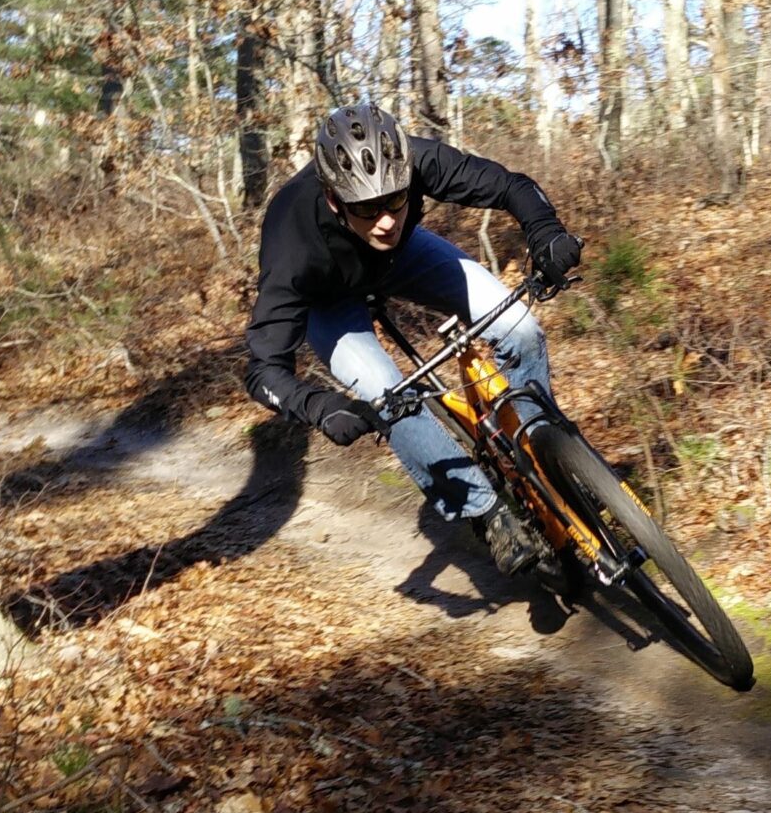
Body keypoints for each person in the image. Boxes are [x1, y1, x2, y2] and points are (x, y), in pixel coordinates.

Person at [243, 99, 584, 573]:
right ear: (334, 200)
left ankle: (546, 452)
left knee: (520, 329)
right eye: (366, 208)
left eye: (395, 200)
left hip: (401, 258)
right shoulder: (291, 238)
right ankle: (488, 515)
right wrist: (318, 406)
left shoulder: (413, 161)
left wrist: (546, 232)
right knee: (389, 398)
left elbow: (511, 186)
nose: (386, 220)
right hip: (328, 299)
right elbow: (262, 371)